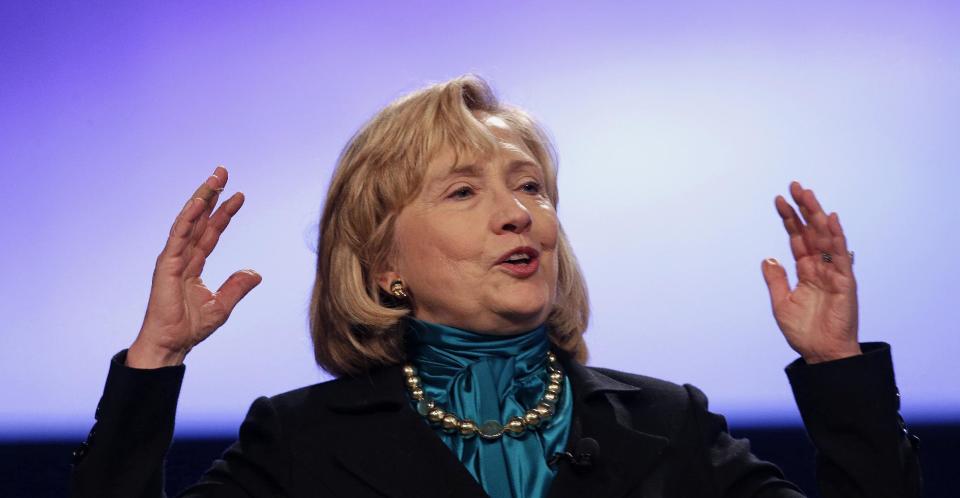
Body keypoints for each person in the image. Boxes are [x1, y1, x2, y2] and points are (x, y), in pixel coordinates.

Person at [69, 75, 922, 498]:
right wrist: (156, 359)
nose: (520, 214)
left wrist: (837, 367)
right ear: (382, 266)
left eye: (532, 186)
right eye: (464, 191)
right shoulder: (297, 444)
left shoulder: (670, 427)